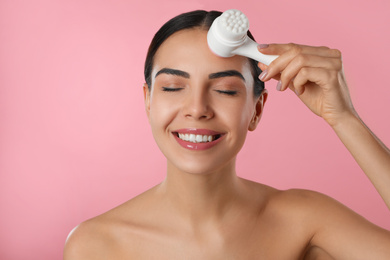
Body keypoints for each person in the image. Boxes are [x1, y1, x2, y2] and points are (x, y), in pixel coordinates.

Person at [63, 10, 390, 259]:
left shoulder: (305, 221)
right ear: (148, 100)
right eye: (174, 87)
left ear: (257, 109)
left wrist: (344, 117)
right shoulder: (95, 245)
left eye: (225, 90)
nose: (197, 108)